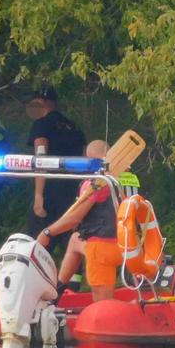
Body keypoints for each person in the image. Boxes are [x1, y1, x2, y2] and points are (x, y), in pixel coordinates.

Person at [37, 140, 121, 302]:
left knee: (102, 303)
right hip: (129, 245)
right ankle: (57, 290)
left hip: (103, 246)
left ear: (88, 159)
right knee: (76, 239)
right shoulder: (128, 176)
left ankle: (58, 294)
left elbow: (75, 218)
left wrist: (48, 232)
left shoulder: (95, 183)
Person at [26, 86, 85, 252]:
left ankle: (35, 275)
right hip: (73, 189)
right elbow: (83, 156)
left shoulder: (41, 125)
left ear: (42, 103)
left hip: (50, 188)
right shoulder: (74, 127)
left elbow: (41, 158)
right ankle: (72, 277)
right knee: (70, 241)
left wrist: (38, 195)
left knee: (37, 242)